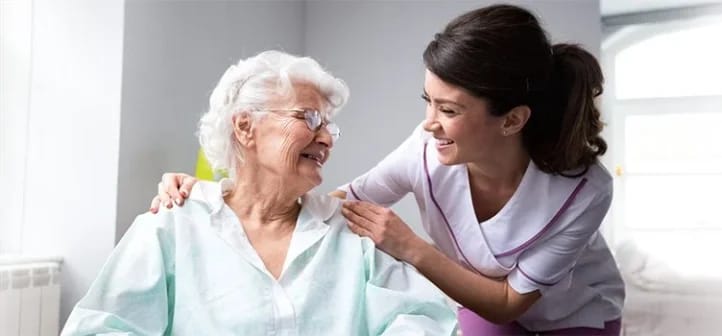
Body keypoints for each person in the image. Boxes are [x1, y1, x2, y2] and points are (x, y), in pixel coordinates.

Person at [151, 4, 625, 335]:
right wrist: (217, 197)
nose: (429, 124)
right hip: (486, 305)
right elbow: (339, 205)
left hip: (575, 312)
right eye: (428, 102)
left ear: (513, 119)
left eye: (450, 111)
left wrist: (410, 246)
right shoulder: (424, 150)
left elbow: (506, 305)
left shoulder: (584, 190)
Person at [62, 50, 457, 336]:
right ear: (245, 127)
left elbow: (424, 320)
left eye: (329, 126)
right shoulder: (172, 226)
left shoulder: (353, 232)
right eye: (309, 118)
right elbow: (102, 327)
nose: (326, 138)